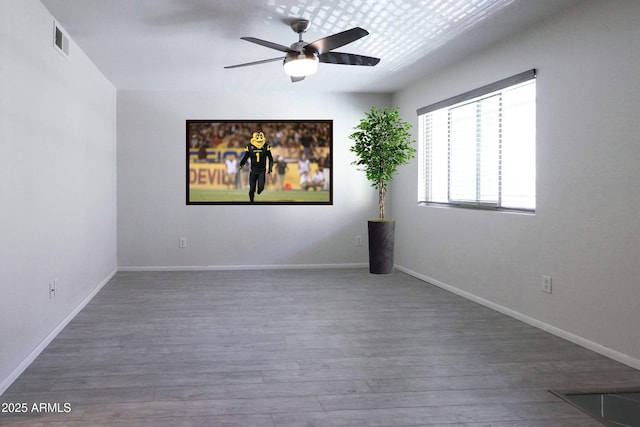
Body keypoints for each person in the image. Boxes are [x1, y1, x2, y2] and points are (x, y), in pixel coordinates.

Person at [239, 130, 273, 202]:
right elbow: (246, 157)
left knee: (261, 188)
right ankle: (251, 201)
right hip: (253, 170)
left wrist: (270, 169)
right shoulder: (250, 146)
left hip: (262, 170)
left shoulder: (266, 146)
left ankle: (259, 191)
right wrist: (241, 164)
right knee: (252, 189)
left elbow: (271, 159)